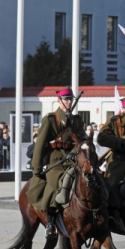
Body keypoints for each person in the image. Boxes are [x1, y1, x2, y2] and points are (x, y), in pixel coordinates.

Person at [27, 88, 87, 239]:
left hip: (73, 160)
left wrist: (75, 152)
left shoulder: (76, 120)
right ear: (59, 101)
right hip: (56, 161)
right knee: (55, 185)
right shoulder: (50, 119)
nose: (68, 102)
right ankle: (51, 222)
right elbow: (40, 145)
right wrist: (37, 168)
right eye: (65, 99)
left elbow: (83, 139)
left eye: (70, 99)